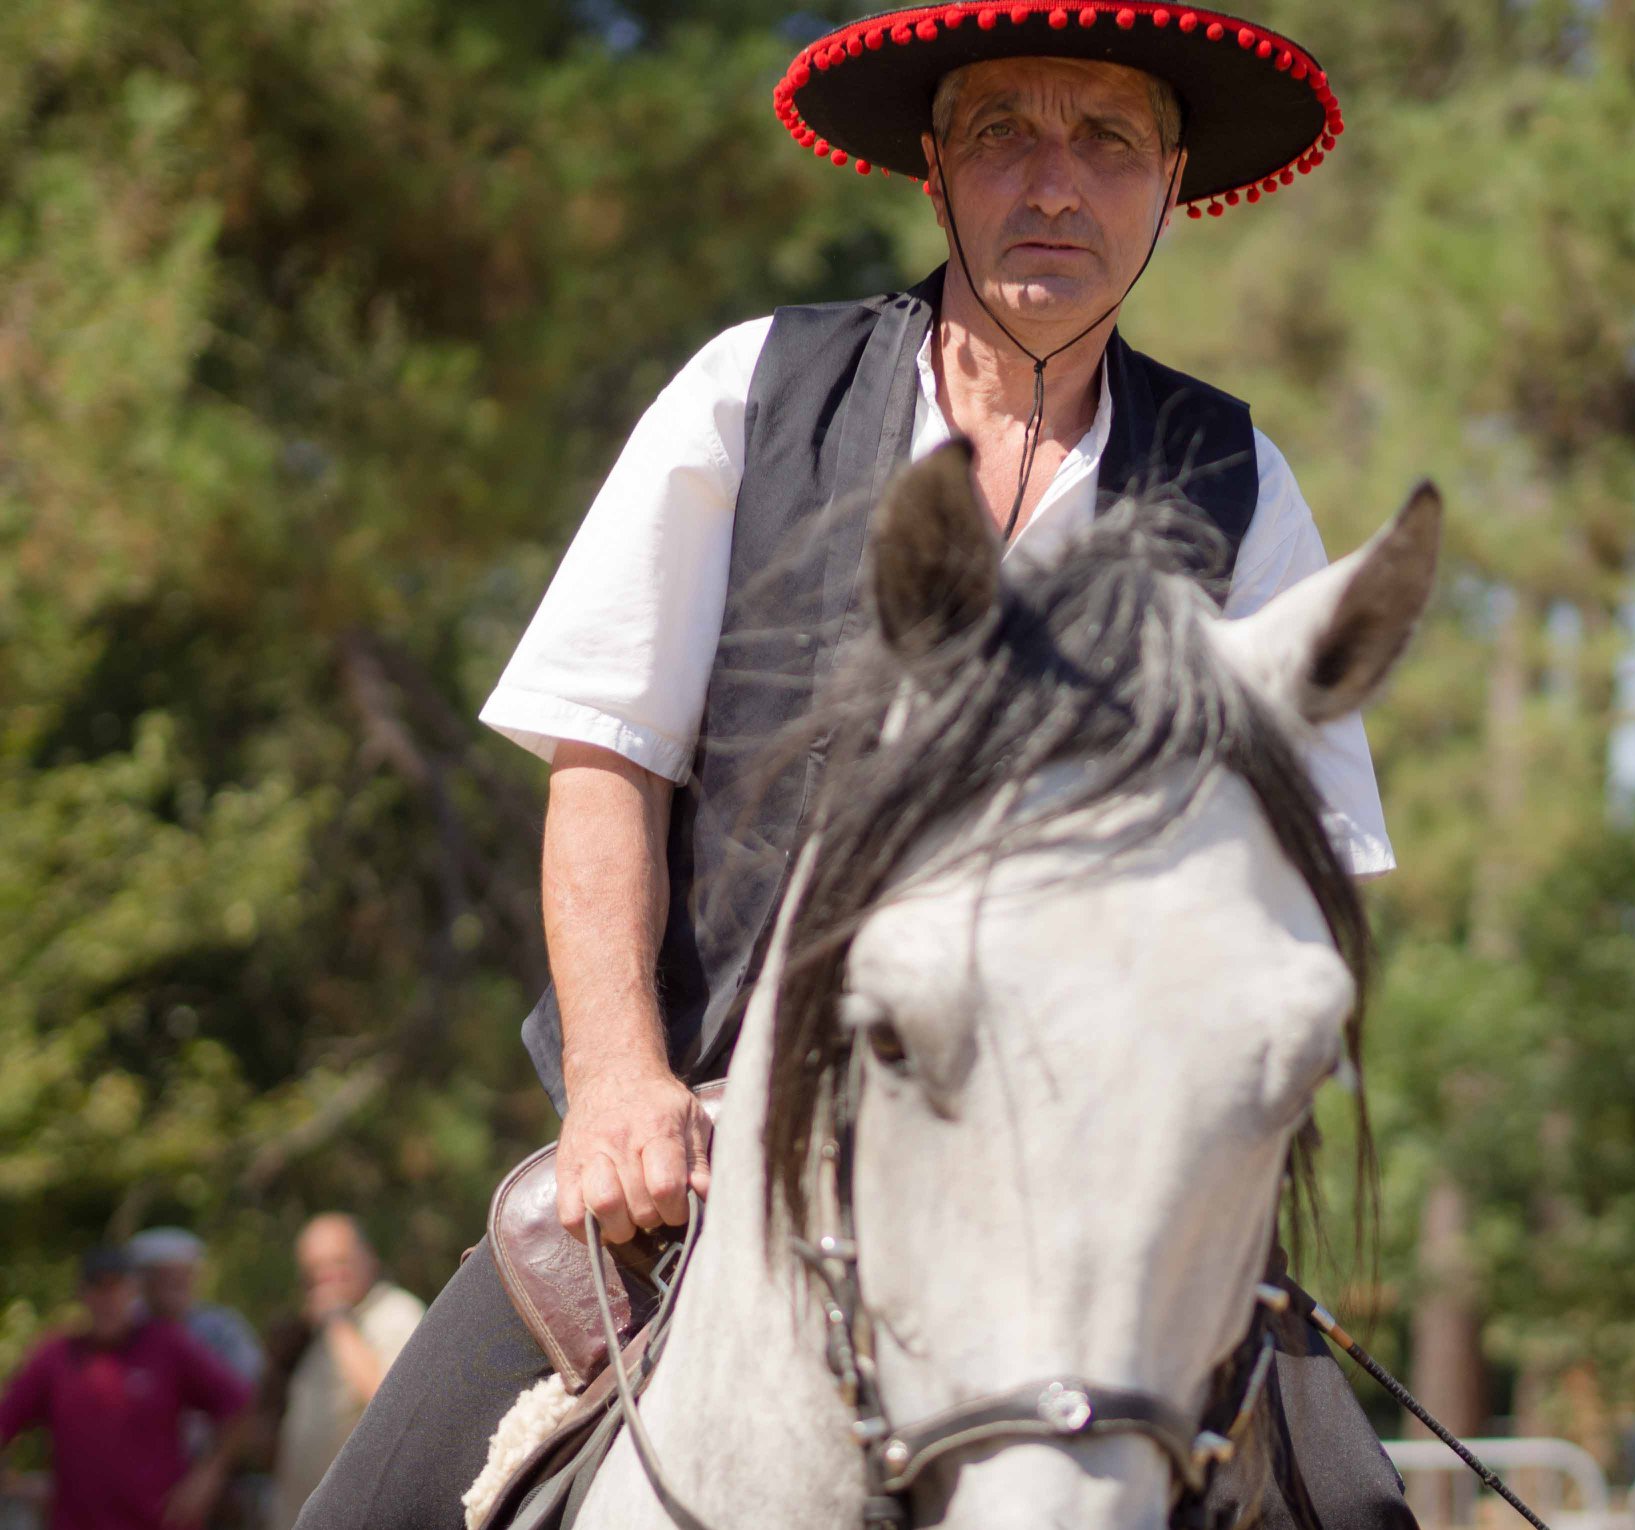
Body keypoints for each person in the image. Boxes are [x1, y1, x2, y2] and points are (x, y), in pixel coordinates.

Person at [302, 5, 1412, 1526]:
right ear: (934, 170)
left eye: (1107, 140)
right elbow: (604, 754)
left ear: (1170, 185)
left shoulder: (1241, 482)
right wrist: (618, 1081)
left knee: (1357, 1505)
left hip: (1105, 1181)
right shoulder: (749, 391)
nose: (1053, 182)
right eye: (1003, 132)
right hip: (717, 1139)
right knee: (369, 1508)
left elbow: (1305, 863)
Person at [0, 1246, 252, 1530]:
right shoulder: (56, 1357)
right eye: (98, 1288)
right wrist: (14, 1482)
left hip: (161, 1521)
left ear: (133, 1292)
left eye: (117, 1288)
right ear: (82, 1294)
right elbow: (6, 1419)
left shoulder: (167, 1345)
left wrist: (209, 1475)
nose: (108, 1300)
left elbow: (239, 1406)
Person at [266, 1217, 423, 1530]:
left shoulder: (397, 1313)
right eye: (314, 1268)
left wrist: (337, 1320)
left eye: (339, 1262)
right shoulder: (320, 1330)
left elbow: (393, 1403)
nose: (326, 1276)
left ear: (369, 1258)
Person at [129, 1228, 265, 1387]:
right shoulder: (127, 1326)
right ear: (142, 1282)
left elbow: (249, 1380)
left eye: (184, 1275)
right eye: (163, 1276)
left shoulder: (223, 1328)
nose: (176, 1284)